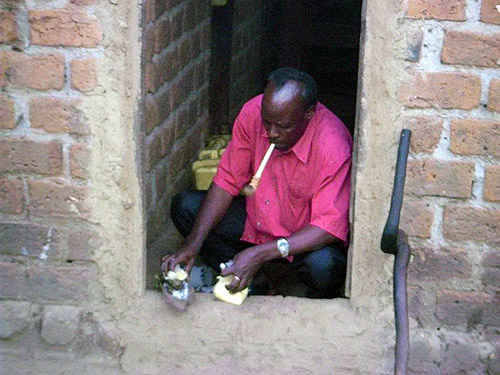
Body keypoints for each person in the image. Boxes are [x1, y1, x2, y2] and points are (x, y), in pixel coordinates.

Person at [162, 67, 352, 298]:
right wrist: (193, 245)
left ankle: (302, 302)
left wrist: (262, 253)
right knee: (185, 207)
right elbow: (227, 181)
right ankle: (253, 281)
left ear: (309, 115)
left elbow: (328, 228)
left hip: (300, 240)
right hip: (257, 223)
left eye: (283, 126)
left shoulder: (333, 145)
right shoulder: (252, 113)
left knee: (325, 266)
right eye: (267, 122)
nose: (271, 133)